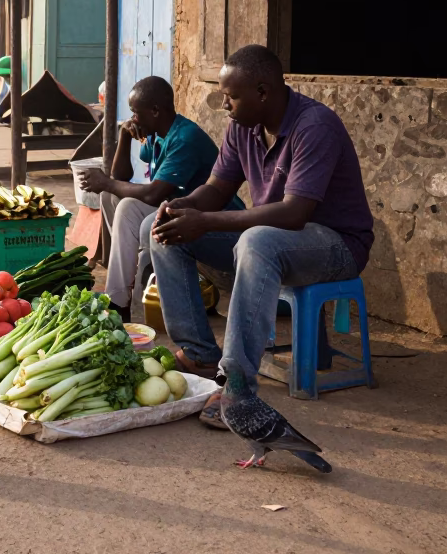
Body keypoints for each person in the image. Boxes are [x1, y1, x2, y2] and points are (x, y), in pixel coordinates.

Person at [149, 44, 373, 427]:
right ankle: (199, 352)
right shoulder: (243, 127)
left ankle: (237, 386)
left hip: (337, 246)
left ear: (263, 91)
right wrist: (182, 207)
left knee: (256, 240)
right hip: (278, 239)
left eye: (231, 97)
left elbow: (293, 213)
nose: (225, 106)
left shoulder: (314, 126)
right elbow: (217, 188)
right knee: (159, 230)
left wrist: (205, 222)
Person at [78, 76, 236, 322]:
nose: (133, 119)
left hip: (211, 221)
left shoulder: (184, 138)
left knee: (139, 217)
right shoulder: (154, 133)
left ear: (155, 111)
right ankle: (118, 300)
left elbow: (154, 193)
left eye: (135, 113)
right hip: (174, 208)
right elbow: (120, 177)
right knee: (116, 198)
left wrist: (106, 182)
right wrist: (125, 136)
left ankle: (141, 295)